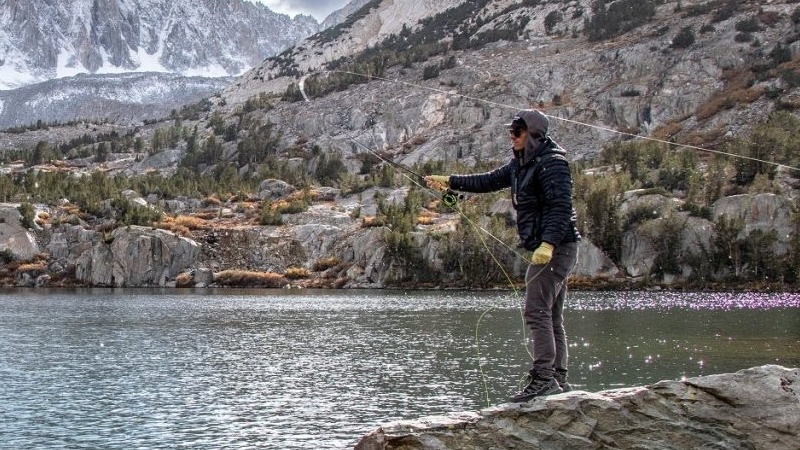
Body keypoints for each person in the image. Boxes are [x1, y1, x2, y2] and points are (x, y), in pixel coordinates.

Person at [425, 109, 581, 402]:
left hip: (557, 248)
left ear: (533, 133)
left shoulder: (553, 163)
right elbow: (489, 180)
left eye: (517, 131)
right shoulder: (522, 163)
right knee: (551, 315)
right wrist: (450, 181)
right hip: (552, 248)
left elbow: (561, 207)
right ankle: (558, 379)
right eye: (511, 130)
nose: (512, 135)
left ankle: (545, 378)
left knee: (537, 312)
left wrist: (547, 244)